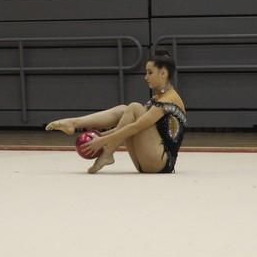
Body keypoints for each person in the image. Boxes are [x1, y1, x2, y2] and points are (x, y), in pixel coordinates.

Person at [46, 50, 187, 174]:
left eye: (150, 73)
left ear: (163, 73)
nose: (145, 77)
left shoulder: (170, 99)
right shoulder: (157, 98)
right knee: (124, 110)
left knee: (134, 107)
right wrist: (100, 136)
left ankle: (107, 153)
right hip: (147, 161)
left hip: (160, 163)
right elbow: (127, 126)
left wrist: (101, 140)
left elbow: (136, 127)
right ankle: (74, 123)